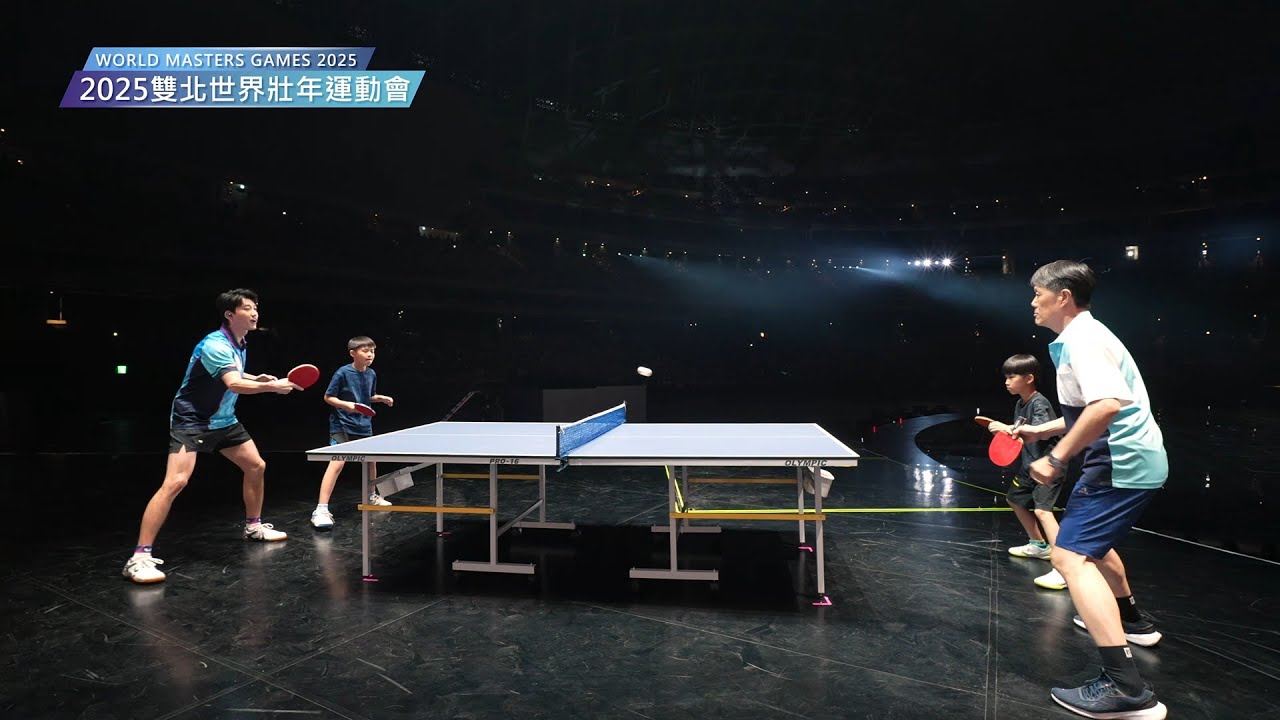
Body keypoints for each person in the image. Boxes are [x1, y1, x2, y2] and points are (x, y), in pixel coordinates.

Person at [1014, 260, 1168, 719]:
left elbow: (1106, 407)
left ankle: (1126, 689)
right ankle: (1134, 623)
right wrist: (1042, 432)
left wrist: (1056, 457)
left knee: (1068, 558)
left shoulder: (1084, 340)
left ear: (1063, 296)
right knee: (1092, 548)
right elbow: (1089, 410)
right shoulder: (1081, 338)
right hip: (1129, 460)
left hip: (1119, 463)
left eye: (1038, 293)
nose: (1033, 301)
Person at [123, 289, 300, 584]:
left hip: (224, 420)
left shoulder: (240, 342)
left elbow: (234, 374)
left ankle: (253, 526)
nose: (254, 312)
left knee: (256, 466)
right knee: (176, 482)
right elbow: (233, 384)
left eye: (256, 307)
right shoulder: (214, 344)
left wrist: (256, 378)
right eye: (247, 308)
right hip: (193, 420)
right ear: (230, 315)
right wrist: (272, 387)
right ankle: (138, 558)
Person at [985, 354, 1067, 590]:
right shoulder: (1020, 403)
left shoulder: (1039, 403)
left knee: (1042, 511)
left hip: (1048, 466)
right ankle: (1039, 546)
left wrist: (1006, 428)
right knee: (1015, 499)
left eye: (1012, 377)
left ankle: (1064, 568)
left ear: (1029, 378)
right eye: (1006, 377)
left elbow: (1040, 431)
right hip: (1029, 465)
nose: (1007, 382)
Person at [311, 336, 395, 529]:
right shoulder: (342, 373)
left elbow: (367, 397)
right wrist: (345, 405)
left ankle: (371, 496)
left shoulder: (371, 374)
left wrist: (380, 398)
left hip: (363, 424)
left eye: (372, 351)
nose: (370, 355)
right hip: (341, 424)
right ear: (352, 353)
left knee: (372, 460)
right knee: (337, 462)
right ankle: (321, 509)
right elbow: (328, 397)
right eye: (365, 351)